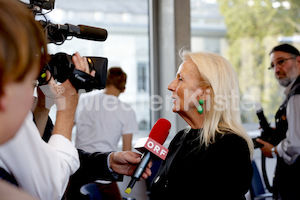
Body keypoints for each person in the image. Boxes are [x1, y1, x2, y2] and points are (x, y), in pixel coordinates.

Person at [0, 1, 151, 200]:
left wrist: (109, 161)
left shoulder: (23, 119)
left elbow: (40, 154)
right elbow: (49, 185)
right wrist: (66, 108)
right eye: (27, 81)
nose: (31, 98)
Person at [149, 51, 254, 200]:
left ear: (205, 94)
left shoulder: (231, 146)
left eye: (180, 79)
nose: (171, 86)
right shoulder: (180, 139)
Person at [74, 67, 139, 200]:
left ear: (106, 82)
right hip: (104, 174)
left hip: (77, 171)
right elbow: (126, 151)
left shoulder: (84, 100)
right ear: (123, 89)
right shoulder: (126, 111)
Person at [256, 43, 300, 200]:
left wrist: (273, 150)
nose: (276, 70)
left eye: (281, 61)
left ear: (298, 61)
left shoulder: (296, 95)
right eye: (273, 66)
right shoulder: (292, 94)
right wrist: (280, 132)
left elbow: (296, 144)